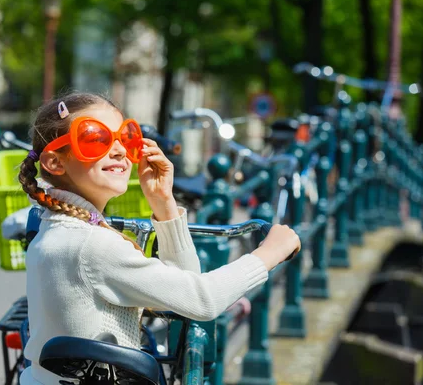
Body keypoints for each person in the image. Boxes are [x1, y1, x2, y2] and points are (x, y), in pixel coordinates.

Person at [17, 92, 301, 385]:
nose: (118, 150)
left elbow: (182, 294)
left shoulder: (55, 228)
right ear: (54, 162)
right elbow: (202, 301)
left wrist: (164, 203)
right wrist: (269, 253)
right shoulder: (92, 244)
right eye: (94, 139)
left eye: (125, 138)